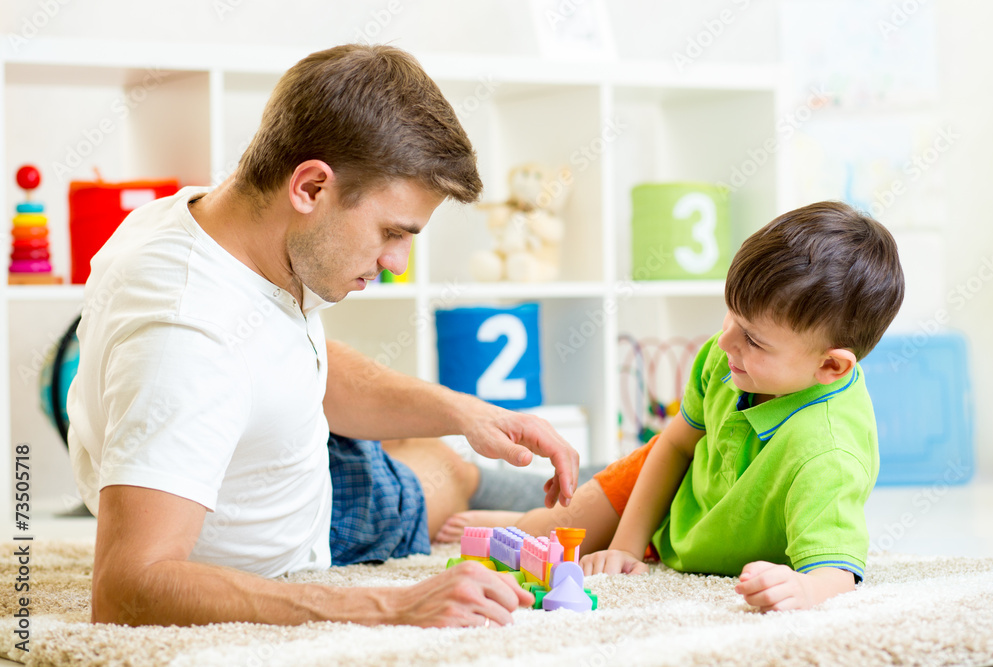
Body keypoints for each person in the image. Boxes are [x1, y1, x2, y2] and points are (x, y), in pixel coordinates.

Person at [66, 43, 580, 629]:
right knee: (454, 473)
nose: (397, 262)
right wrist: (389, 604)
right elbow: (128, 588)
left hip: (290, 455)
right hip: (309, 528)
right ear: (310, 187)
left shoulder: (217, 223)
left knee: (435, 444)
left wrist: (468, 412)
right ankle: (639, 475)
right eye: (392, 231)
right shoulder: (185, 336)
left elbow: (281, 355)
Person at [439, 201, 905, 612]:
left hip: (693, 524)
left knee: (557, 526)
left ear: (831, 366)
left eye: (753, 340)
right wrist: (625, 546)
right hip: (665, 482)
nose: (724, 342)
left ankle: (495, 501)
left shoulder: (828, 455)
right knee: (546, 534)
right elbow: (675, 445)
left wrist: (803, 591)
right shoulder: (728, 356)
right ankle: (505, 515)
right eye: (730, 315)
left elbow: (837, 572)